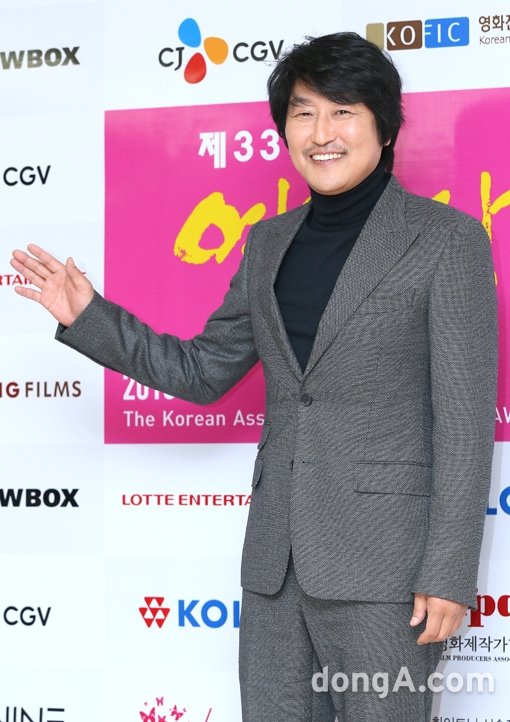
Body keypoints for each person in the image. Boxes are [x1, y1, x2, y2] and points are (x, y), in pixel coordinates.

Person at [11, 32, 498, 722]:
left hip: (385, 570)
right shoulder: (268, 242)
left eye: (343, 112)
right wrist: (89, 316)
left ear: (385, 128)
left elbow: (465, 422)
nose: (321, 133)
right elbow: (202, 370)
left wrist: (447, 572)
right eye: (304, 113)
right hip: (274, 567)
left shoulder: (447, 240)